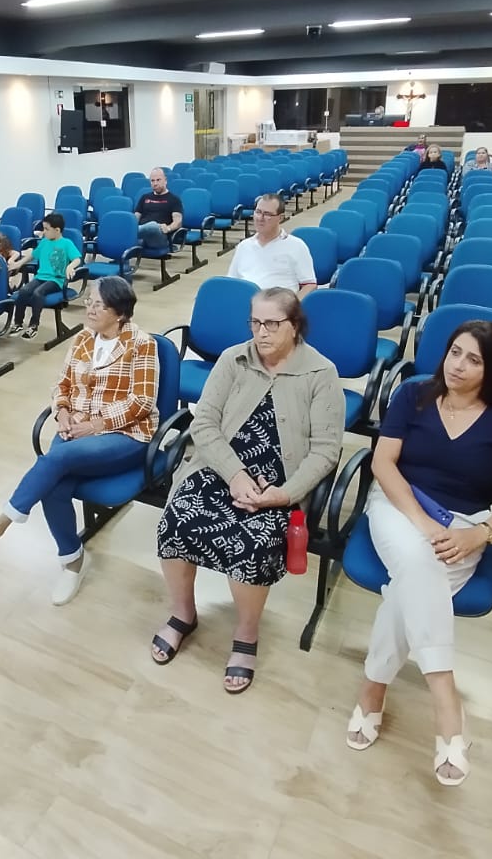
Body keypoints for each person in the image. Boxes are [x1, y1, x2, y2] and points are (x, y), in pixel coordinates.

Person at [344, 321, 492, 783]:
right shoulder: (413, 395)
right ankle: (445, 700)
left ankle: (373, 689)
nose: (458, 366)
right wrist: (421, 521)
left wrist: (482, 534)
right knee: (418, 559)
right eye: (455, 352)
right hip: (398, 506)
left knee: (407, 588)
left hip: (466, 526)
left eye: (474, 360)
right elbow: (383, 463)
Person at [152, 288, 343, 693]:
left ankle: (246, 634)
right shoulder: (233, 359)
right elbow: (204, 423)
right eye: (255, 322)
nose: (261, 332)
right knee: (176, 520)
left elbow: (326, 451)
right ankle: (183, 613)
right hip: (221, 468)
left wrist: (284, 494)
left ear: (295, 326)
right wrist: (235, 474)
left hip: (279, 482)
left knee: (254, 543)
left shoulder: (320, 373)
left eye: (272, 323)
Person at [0, 277, 158, 605]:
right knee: (53, 486)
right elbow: (62, 384)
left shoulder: (142, 344)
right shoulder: (83, 339)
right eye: (89, 301)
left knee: (54, 461)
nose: (90, 309)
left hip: (124, 435)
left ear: (120, 313)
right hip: (75, 428)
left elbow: (142, 402)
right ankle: (73, 561)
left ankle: (1, 524)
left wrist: (95, 425)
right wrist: (61, 412)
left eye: (99, 305)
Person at [7, 213, 81, 340]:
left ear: (57, 230)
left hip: (56, 280)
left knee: (38, 293)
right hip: (40, 277)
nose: (43, 232)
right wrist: (18, 264)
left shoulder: (66, 243)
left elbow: (77, 259)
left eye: (47, 229)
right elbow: (32, 255)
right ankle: (18, 323)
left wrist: (70, 266)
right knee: (24, 291)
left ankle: (34, 325)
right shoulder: (44, 242)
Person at [226, 194, 317, 297]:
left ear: (280, 218)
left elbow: (310, 285)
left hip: (279, 304)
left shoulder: (296, 246)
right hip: (246, 302)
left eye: (267, 214)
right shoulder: (244, 246)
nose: (260, 218)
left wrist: (293, 304)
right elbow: (232, 282)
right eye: (258, 212)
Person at [134, 167, 183, 251]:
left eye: (158, 180)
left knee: (153, 226)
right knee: (126, 222)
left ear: (165, 180)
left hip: (160, 237)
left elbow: (178, 222)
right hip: (142, 236)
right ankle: (129, 233)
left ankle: (128, 233)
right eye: (152, 181)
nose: (155, 183)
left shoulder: (174, 199)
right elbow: (135, 218)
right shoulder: (144, 197)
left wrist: (168, 228)